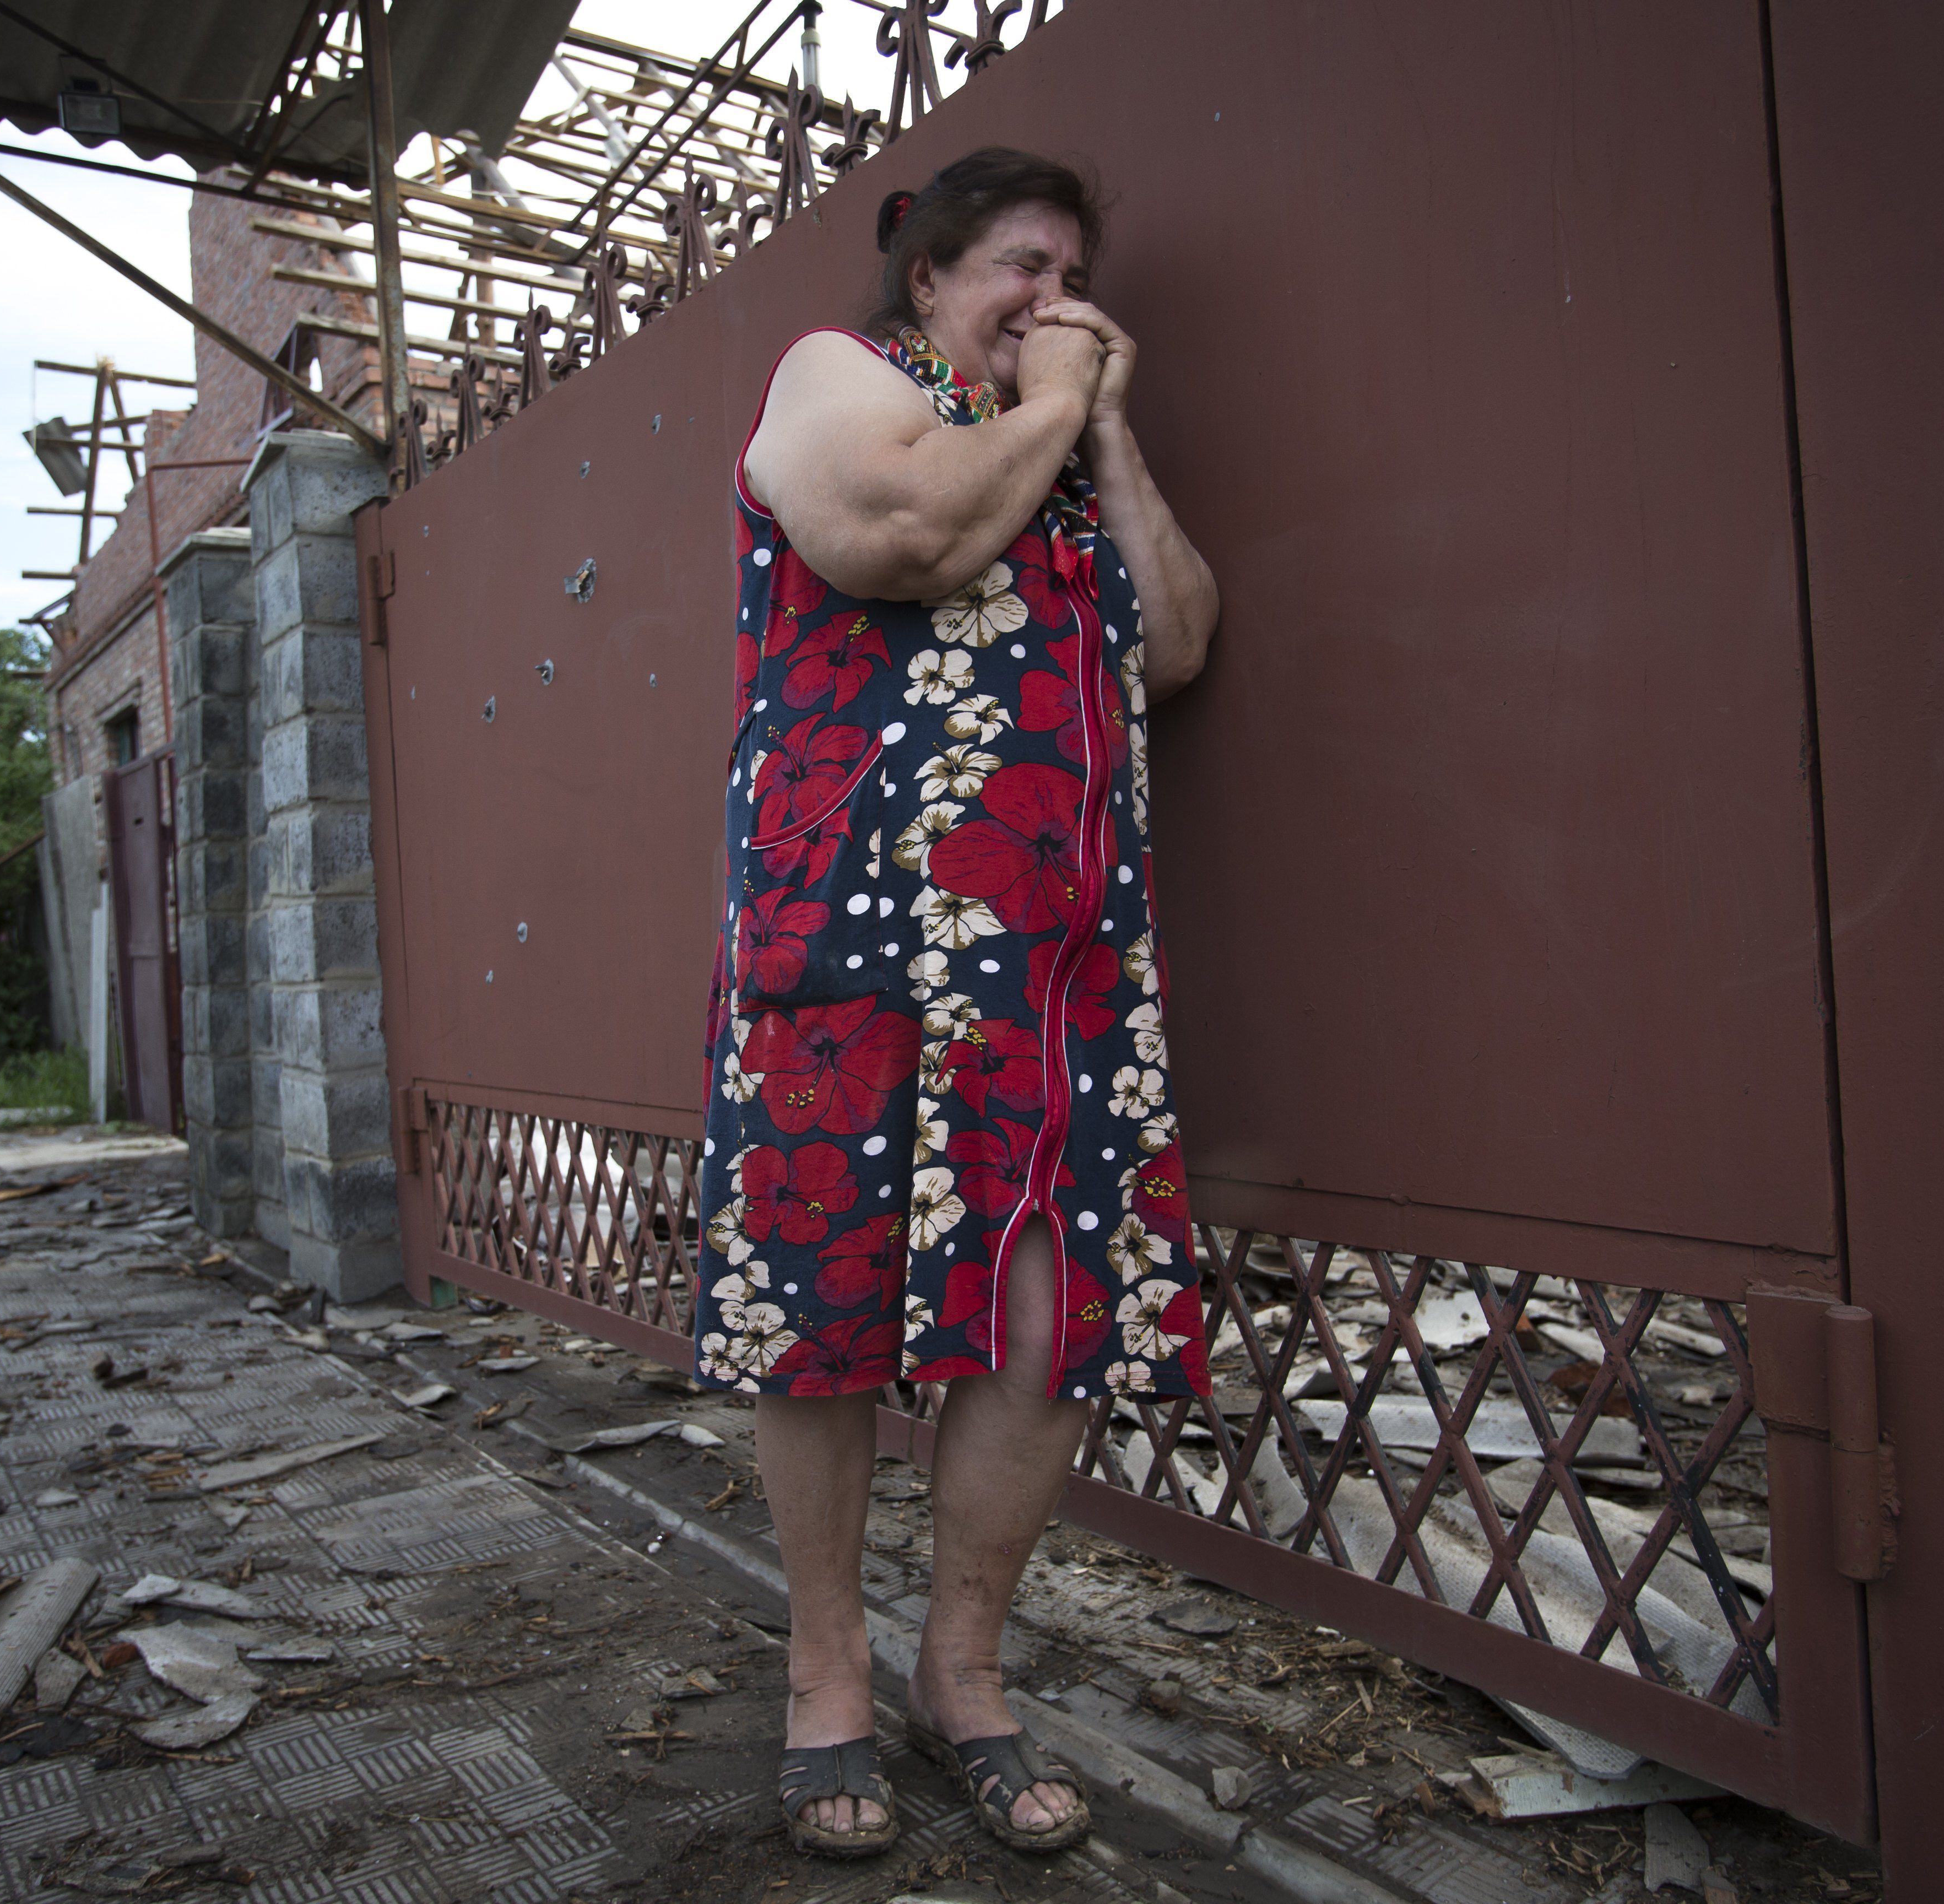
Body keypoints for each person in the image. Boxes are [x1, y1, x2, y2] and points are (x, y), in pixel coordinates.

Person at [700, 145, 1221, 1860]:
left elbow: (1177, 644)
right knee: (824, 1298)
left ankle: (964, 1670)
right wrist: (1054, 405)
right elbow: (900, 534)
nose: (1055, 301)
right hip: (849, 931)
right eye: (1020, 266)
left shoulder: (1059, 456)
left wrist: (1103, 432)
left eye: (1074, 275)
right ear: (927, 277)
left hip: (1057, 961)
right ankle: (827, 1674)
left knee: (1050, 1317)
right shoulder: (842, 380)